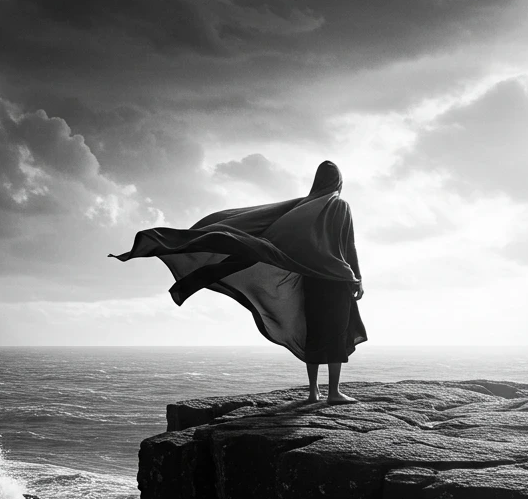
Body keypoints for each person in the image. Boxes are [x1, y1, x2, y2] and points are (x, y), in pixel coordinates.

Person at [109, 160, 366, 405]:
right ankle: (334, 392)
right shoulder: (339, 206)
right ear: (338, 182)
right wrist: (357, 277)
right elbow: (348, 245)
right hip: (335, 280)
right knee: (335, 332)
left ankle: (313, 393)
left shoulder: (302, 208)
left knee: (313, 332)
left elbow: (280, 233)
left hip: (311, 280)